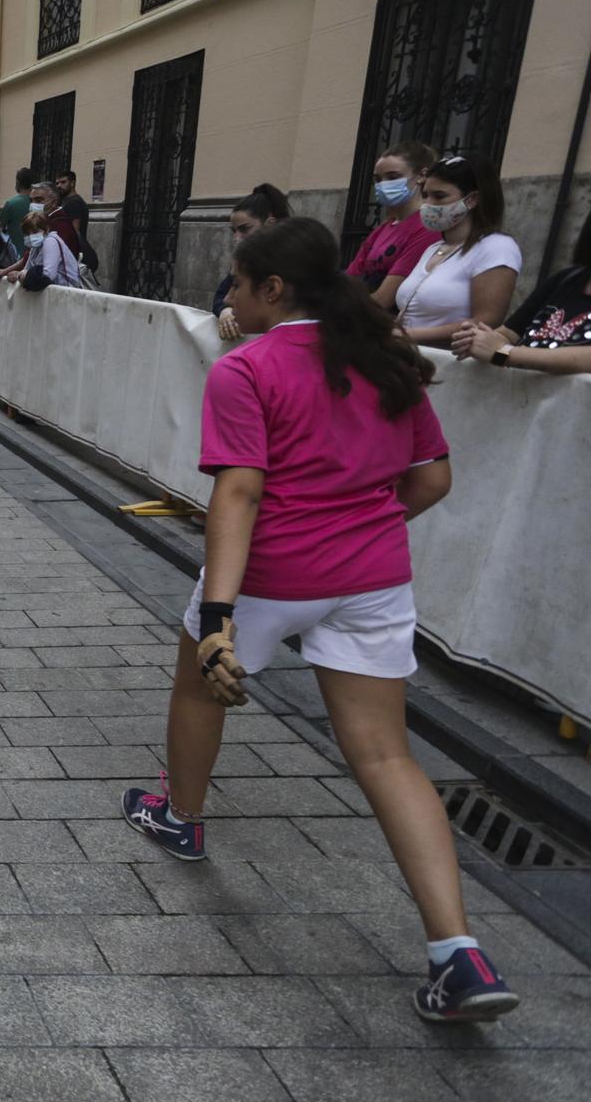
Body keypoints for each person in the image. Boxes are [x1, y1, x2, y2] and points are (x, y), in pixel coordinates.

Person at [122, 217, 518, 1024]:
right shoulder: (385, 356)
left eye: (237, 283)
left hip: (272, 568)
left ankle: (182, 819)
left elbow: (238, 493)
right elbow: (433, 479)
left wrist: (220, 617)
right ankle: (458, 953)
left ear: (273, 290)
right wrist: (362, 527)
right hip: (372, 574)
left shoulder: (249, 368)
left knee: (198, 689)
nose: (229, 296)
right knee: (385, 754)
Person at [382, 155, 518, 347]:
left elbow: (487, 320)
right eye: (425, 195)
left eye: (439, 196)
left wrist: (408, 334)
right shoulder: (434, 248)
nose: (428, 204)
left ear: (471, 200)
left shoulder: (497, 247)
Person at [453, 210, 591, 374]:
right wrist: (477, 340)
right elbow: (508, 335)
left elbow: (503, 352)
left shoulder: (508, 354)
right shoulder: (565, 280)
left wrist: (504, 354)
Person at [347, 141, 440, 299]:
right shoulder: (383, 229)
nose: (383, 184)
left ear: (422, 175)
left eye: (393, 177)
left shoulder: (427, 227)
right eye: (378, 179)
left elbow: (385, 298)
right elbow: (350, 278)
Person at [210, 185, 293, 340]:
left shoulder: (296, 263)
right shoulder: (244, 260)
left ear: (271, 223)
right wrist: (224, 310)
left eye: (244, 229)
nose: (237, 239)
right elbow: (222, 297)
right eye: (234, 231)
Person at [0, 210, 79, 290]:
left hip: (66, 291)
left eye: (35, 231)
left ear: (46, 229)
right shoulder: (35, 247)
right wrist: (15, 273)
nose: (31, 236)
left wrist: (22, 276)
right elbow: (27, 268)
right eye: (27, 233)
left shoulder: (51, 241)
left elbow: (48, 275)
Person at [54, 170, 95, 272]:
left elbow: (74, 231)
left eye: (63, 182)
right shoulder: (67, 201)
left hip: (73, 253)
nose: (59, 186)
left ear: (72, 183)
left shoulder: (73, 202)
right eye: (57, 183)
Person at [0, 168, 34, 260]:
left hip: (16, 253)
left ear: (17, 182)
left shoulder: (11, 203)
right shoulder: (39, 203)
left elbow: (1, 226)